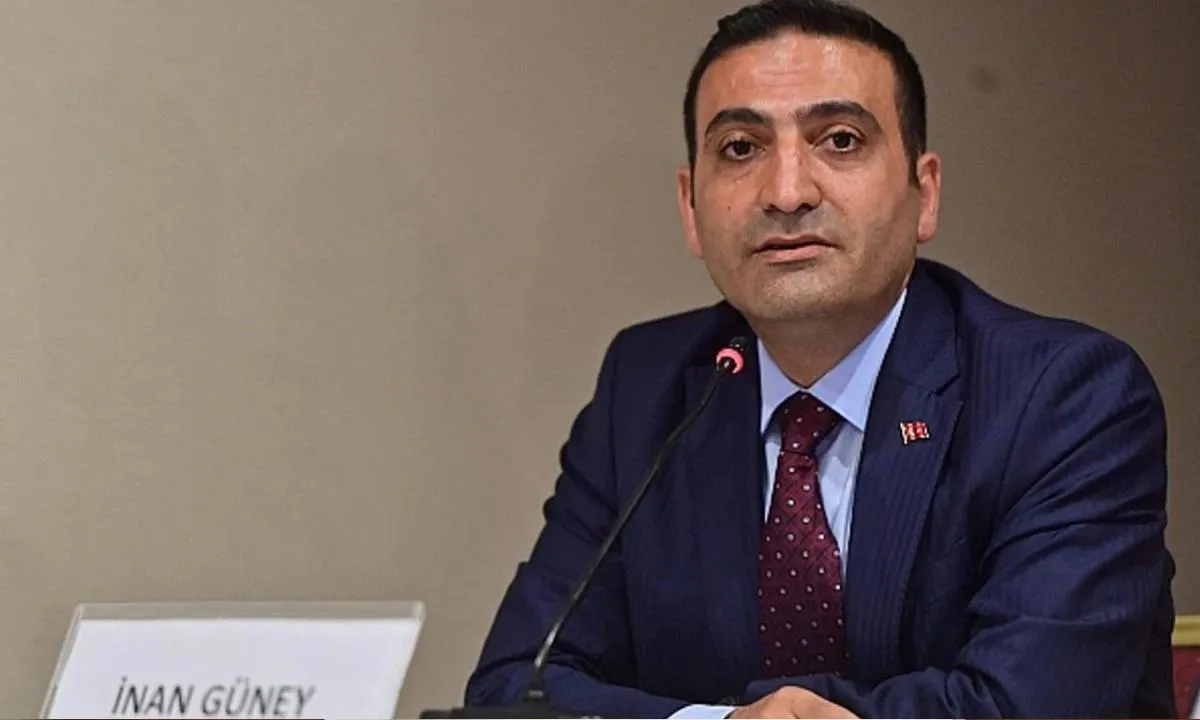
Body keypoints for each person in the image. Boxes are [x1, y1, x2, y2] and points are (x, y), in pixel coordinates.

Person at [463, 0, 1176, 717]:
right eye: (740, 148)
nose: (787, 193)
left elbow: (1029, 705)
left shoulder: (1061, 397)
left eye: (839, 140)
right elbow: (515, 691)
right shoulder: (646, 390)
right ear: (690, 207)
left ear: (924, 193)